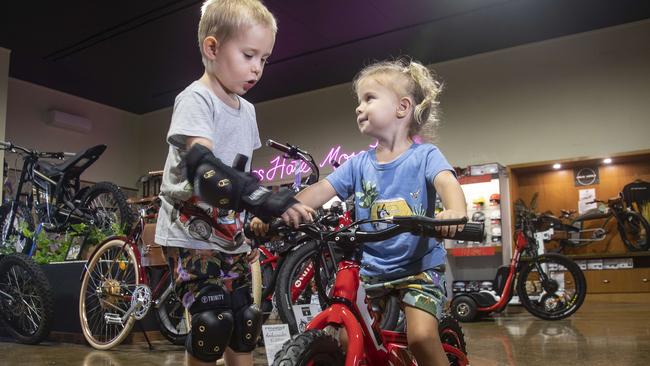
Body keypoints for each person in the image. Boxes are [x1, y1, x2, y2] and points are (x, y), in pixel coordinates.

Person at [260, 58, 468, 366]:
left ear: (402, 108)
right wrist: (277, 210)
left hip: (419, 269)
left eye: (369, 98)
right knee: (347, 337)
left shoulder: (424, 156)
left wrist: (455, 211)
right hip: (375, 270)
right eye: (359, 101)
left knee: (422, 338)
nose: (359, 107)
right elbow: (319, 191)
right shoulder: (359, 164)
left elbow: (447, 183)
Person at [154, 1, 312, 365]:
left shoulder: (248, 111)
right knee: (213, 323)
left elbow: (240, 171)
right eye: (248, 54)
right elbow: (205, 171)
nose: (257, 67)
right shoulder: (196, 99)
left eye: (264, 59)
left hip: (230, 237)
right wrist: (262, 197)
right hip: (190, 234)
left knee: (245, 325)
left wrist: (259, 219)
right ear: (212, 48)